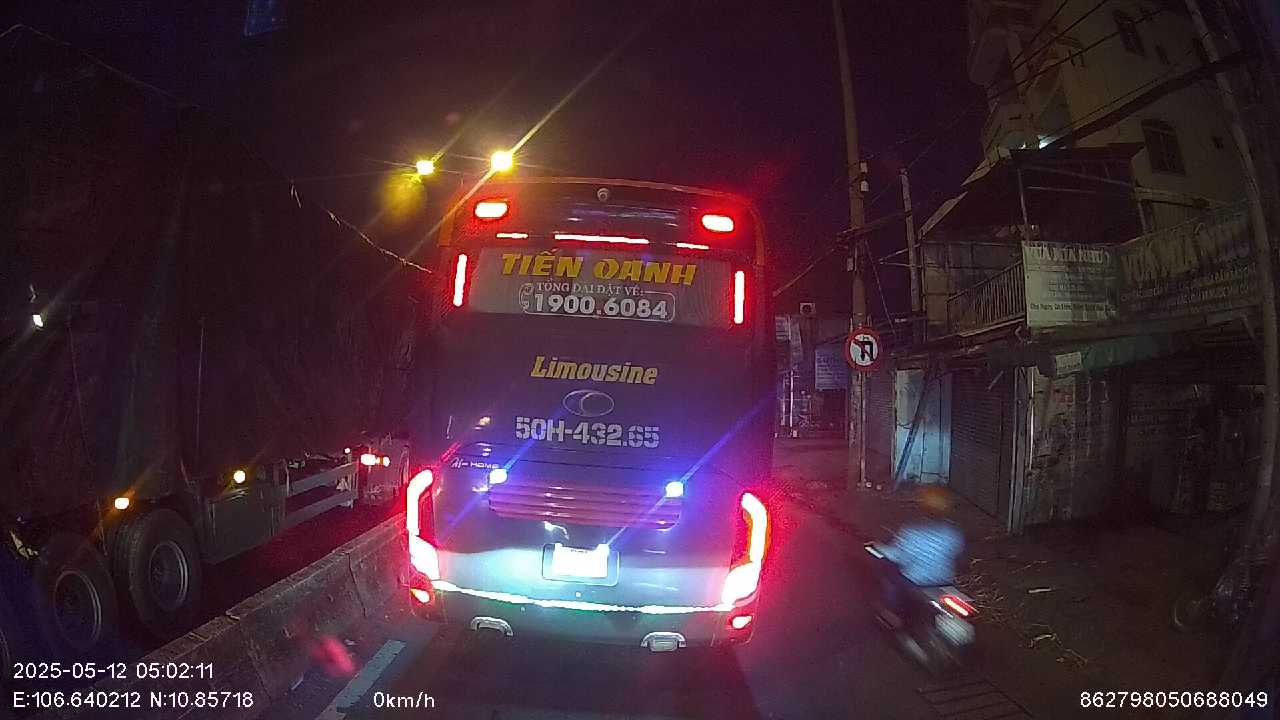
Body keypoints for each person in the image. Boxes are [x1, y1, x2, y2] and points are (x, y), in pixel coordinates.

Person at [875, 485, 965, 632]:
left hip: (916, 582)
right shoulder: (952, 532)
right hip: (944, 582)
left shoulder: (912, 532)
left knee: (889, 576)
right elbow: (957, 553)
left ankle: (893, 613)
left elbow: (899, 556)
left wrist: (880, 548)